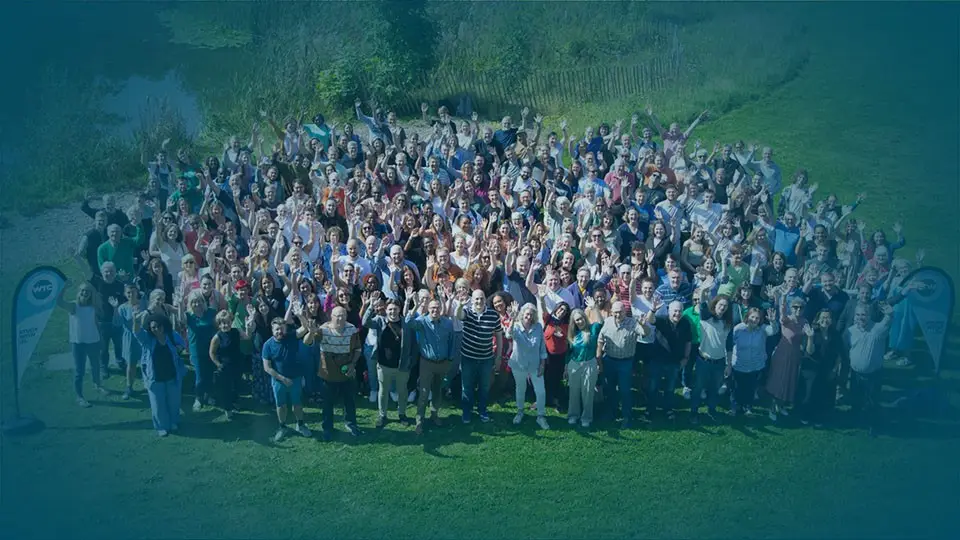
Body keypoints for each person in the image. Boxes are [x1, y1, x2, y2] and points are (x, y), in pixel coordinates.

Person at [406, 296, 458, 435]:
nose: (435, 310)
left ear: (441, 309)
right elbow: (408, 322)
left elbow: (452, 342)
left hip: (443, 363)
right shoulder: (422, 322)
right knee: (423, 392)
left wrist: (450, 359)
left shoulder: (447, 323)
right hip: (427, 363)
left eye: (437, 308)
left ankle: (434, 415)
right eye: (432, 308)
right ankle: (419, 419)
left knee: (437, 391)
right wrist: (415, 306)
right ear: (428, 309)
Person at [362, 298, 415, 428]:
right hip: (383, 365)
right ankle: (382, 415)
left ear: (399, 310)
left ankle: (402, 414)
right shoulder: (380, 321)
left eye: (395, 309)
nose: (393, 312)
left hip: (401, 366)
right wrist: (370, 306)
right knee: (383, 391)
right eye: (390, 309)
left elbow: (413, 345)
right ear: (386, 310)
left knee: (402, 391)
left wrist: (410, 361)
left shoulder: (406, 323)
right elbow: (365, 322)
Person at [597, 301, 650, 428]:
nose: (618, 314)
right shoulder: (608, 321)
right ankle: (612, 412)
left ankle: (627, 416)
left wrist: (644, 325)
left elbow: (645, 333)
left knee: (625, 390)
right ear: (611, 312)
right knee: (610, 389)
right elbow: (600, 340)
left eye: (620, 312)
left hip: (625, 363)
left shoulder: (632, 323)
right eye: (615, 312)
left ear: (625, 311)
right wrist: (599, 359)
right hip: (609, 360)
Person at [133, 311, 186, 437]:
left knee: (174, 402)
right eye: (153, 328)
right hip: (155, 378)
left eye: (159, 326)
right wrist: (135, 322)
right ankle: (162, 426)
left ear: (164, 325)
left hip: (173, 375)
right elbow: (137, 333)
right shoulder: (147, 340)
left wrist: (180, 348)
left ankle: (173, 422)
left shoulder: (172, 335)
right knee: (158, 404)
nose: (157, 329)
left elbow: (183, 343)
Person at [844, 303, 894, 436]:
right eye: (858, 315)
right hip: (855, 374)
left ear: (869, 315)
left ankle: (873, 426)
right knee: (856, 400)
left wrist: (889, 313)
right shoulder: (851, 331)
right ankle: (856, 422)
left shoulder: (878, 329)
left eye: (864, 314)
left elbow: (888, 319)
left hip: (873, 375)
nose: (861, 317)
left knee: (872, 402)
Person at [261, 317, 314, 442]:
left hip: (295, 378)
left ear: (285, 329)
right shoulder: (267, 345)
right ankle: (282, 427)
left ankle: (300, 425)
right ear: (272, 330)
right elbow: (267, 368)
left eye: (282, 329)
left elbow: (305, 328)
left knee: (297, 404)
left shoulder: (291, 337)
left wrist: (301, 315)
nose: (280, 331)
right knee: (281, 405)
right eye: (277, 329)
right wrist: (282, 379)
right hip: (278, 381)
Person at [456, 289, 504, 424]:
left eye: (481, 298)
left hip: (486, 359)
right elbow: (458, 316)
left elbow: (499, 335)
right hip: (468, 358)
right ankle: (467, 412)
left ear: (485, 300)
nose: (479, 301)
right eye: (476, 299)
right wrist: (460, 305)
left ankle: (482, 410)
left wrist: (498, 356)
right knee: (467, 386)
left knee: (484, 386)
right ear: (472, 300)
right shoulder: (467, 312)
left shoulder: (493, 315)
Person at [57, 281, 107, 407]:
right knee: (80, 371)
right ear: (79, 292)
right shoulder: (74, 306)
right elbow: (59, 302)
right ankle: (79, 397)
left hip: (93, 341)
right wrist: (63, 289)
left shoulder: (93, 307)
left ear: (91, 294)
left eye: (88, 291)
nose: (85, 293)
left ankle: (97, 385)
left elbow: (96, 323)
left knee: (95, 366)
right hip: (78, 343)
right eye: (83, 291)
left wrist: (101, 339)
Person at [316, 306, 363, 440]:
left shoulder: (352, 329)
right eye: (337, 316)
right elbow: (309, 341)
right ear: (331, 316)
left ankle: (351, 424)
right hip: (328, 374)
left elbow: (358, 349)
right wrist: (311, 330)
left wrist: (352, 364)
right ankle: (327, 428)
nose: (340, 318)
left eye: (343, 315)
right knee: (327, 404)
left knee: (349, 402)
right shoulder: (323, 330)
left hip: (347, 374)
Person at [765, 296, 813, 421]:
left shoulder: (805, 322)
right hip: (782, 354)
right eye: (795, 307)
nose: (798, 310)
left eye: (801, 307)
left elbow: (805, 339)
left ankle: (781, 406)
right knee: (779, 380)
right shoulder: (786, 319)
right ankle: (772, 407)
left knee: (789, 381)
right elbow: (781, 312)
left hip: (795, 355)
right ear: (791, 308)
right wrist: (784, 297)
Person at [504, 302, 551, 430]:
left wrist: (542, 365)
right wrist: (512, 319)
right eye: (527, 314)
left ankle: (541, 416)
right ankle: (520, 412)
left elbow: (542, 348)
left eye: (531, 314)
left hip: (535, 365)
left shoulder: (538, 327)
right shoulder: (516, 326)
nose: (529, 317)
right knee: (520, 389)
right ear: (522, 314)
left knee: (540, 391)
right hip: (518, 364)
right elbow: (509, 334)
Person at [646, 301, 693, 421]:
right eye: (675, 311)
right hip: (657, 360)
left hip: (674, 362)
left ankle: (668, 409)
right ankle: (650, 409)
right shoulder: (662, 320)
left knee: (670, 388)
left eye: (680, 311)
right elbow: (650, 320)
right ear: (669, 311)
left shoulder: (685, 323)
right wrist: (653, 310)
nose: (677, 313)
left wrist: (686, 358)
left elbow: (688, 341)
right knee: (653, 387)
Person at [691, 294, 733, 424]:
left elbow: (729, 345)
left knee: (715, 389)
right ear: (715, 305)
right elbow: (702, 302)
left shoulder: (727, 324)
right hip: (704, 361)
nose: (722, 307)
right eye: (720, 304)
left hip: (719, 362)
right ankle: (693, 412)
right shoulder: (706, 317)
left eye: (725, 306)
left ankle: (712, 410)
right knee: (698, 388)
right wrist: (704, 289)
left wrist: (729, 364)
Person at [729, 306, 778, 416]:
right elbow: (729, 343)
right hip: (739, 364)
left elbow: (774, 331)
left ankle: (748, 407)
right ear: (747, 317)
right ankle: (734, 406)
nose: (755, 320)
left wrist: (773, 321)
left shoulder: (763, 329)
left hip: (755, 365)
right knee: (736, 387)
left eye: (757, 318)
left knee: (750, 388)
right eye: (752, 317)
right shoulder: (738, 329)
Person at [209, 309, 256, 420]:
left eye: (228, 322)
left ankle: (235, 403)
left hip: (237, 363)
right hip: (225, 366)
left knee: (236, 385)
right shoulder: (217, 337)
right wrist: (218, 364)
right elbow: (212, 352)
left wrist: (248, 327)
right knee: (226, 388)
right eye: (223, 323)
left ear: (231, 322)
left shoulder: (236, 331)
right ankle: (227, 408)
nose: (226, 325)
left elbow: (247, 337)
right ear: (219, 324)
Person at [799, 309, 842, 426]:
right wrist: (811, 337)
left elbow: (839, 355)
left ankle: (819, 417)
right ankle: (804, 415)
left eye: (828, 317)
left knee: (823, 394)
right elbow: (809, 351)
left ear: (832, 320)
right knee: (809, 393)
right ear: (818, 319)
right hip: (811, 368)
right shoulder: (813, 332)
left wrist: (834, 370)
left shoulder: (836, 334)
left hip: (827, 368)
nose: (825, 320)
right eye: (822, 317)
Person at [565, 309, 601, 428]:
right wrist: (566, 366)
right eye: (577, 320)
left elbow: (601, 322)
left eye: (581, 318)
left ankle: (586, 417)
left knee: (587, 392)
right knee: (573, 391)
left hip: (589, 363)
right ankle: (573, 415)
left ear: (585, 318)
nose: (579, 321)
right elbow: (568, 352)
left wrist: (594, 307)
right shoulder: (573, 334)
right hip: (574, 364)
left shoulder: (593, 329)